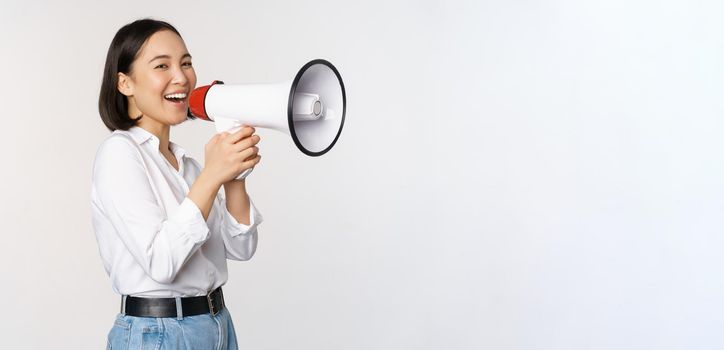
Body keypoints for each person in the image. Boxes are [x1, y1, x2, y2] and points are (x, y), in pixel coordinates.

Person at [92, 18, 262, 349]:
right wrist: (214, 174)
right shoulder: (119, 154)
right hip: (159, 333)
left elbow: (242, 249)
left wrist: (234, 178)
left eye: (186, 63)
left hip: (218, 324)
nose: (181, 77)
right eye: (162, 65)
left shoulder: (189, 166)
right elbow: (161, 263)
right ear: (125, 83)